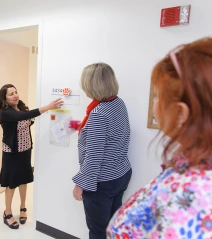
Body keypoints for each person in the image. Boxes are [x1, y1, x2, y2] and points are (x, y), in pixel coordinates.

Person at [107, 38, 212, 238]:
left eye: (157, 96)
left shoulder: (190, 197)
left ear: (181, 113)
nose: (154, 104)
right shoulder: (192, 166)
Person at [72, 63, 132, 239]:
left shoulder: (98, 113)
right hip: (121, 174)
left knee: (98, 231)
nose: (84, 88)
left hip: (102, 182)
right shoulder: (118, 103)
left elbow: (94, 156)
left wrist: (79, 185)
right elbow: (117, 135)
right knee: (112, 226)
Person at [0, 84, 63, 229]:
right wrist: (48, 107)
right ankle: (7, 212)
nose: (15, 95)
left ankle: (22, 207)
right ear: (4, 98)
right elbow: (24, 116)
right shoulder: (5, 112)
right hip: (11, 152)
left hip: (25, 149)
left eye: (16, 92)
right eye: (11, 94)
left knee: (23, 179)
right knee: (11, 182)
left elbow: (27, 120)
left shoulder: (21, 106)